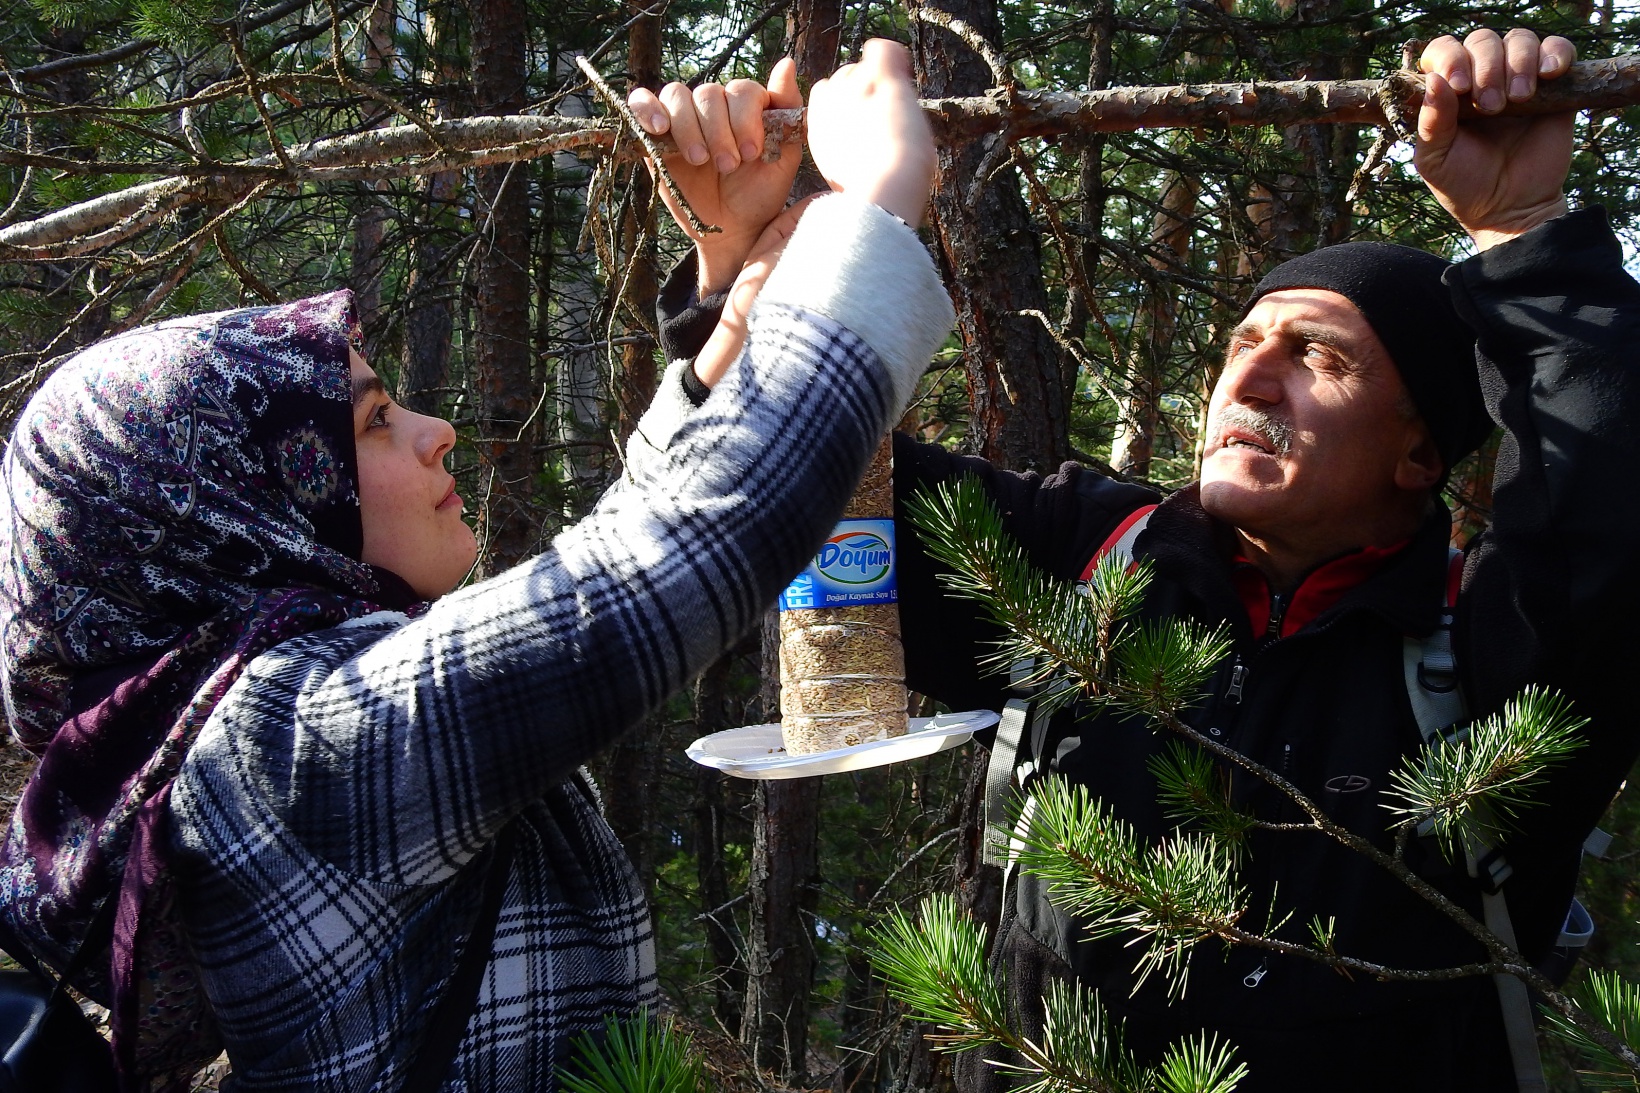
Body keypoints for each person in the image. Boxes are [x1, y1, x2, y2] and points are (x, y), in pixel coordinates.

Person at [635, 28, 1640, 1092]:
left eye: (1318, 359)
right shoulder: (1086, 558)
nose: (1248, 385)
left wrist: (1523, 233)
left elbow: (1608, 499)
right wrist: (744, 268)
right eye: (1243, 346)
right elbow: (764, 487)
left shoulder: (1491, 652)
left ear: (1419, 451)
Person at [0, 44, 952, 1093]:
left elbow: (620, 544)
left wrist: (737, 287)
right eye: (371, 420)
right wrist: (870, 210)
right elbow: (662, 563)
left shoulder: (242, 738)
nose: (435, 430)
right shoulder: (285, 748)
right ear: (238, 512)